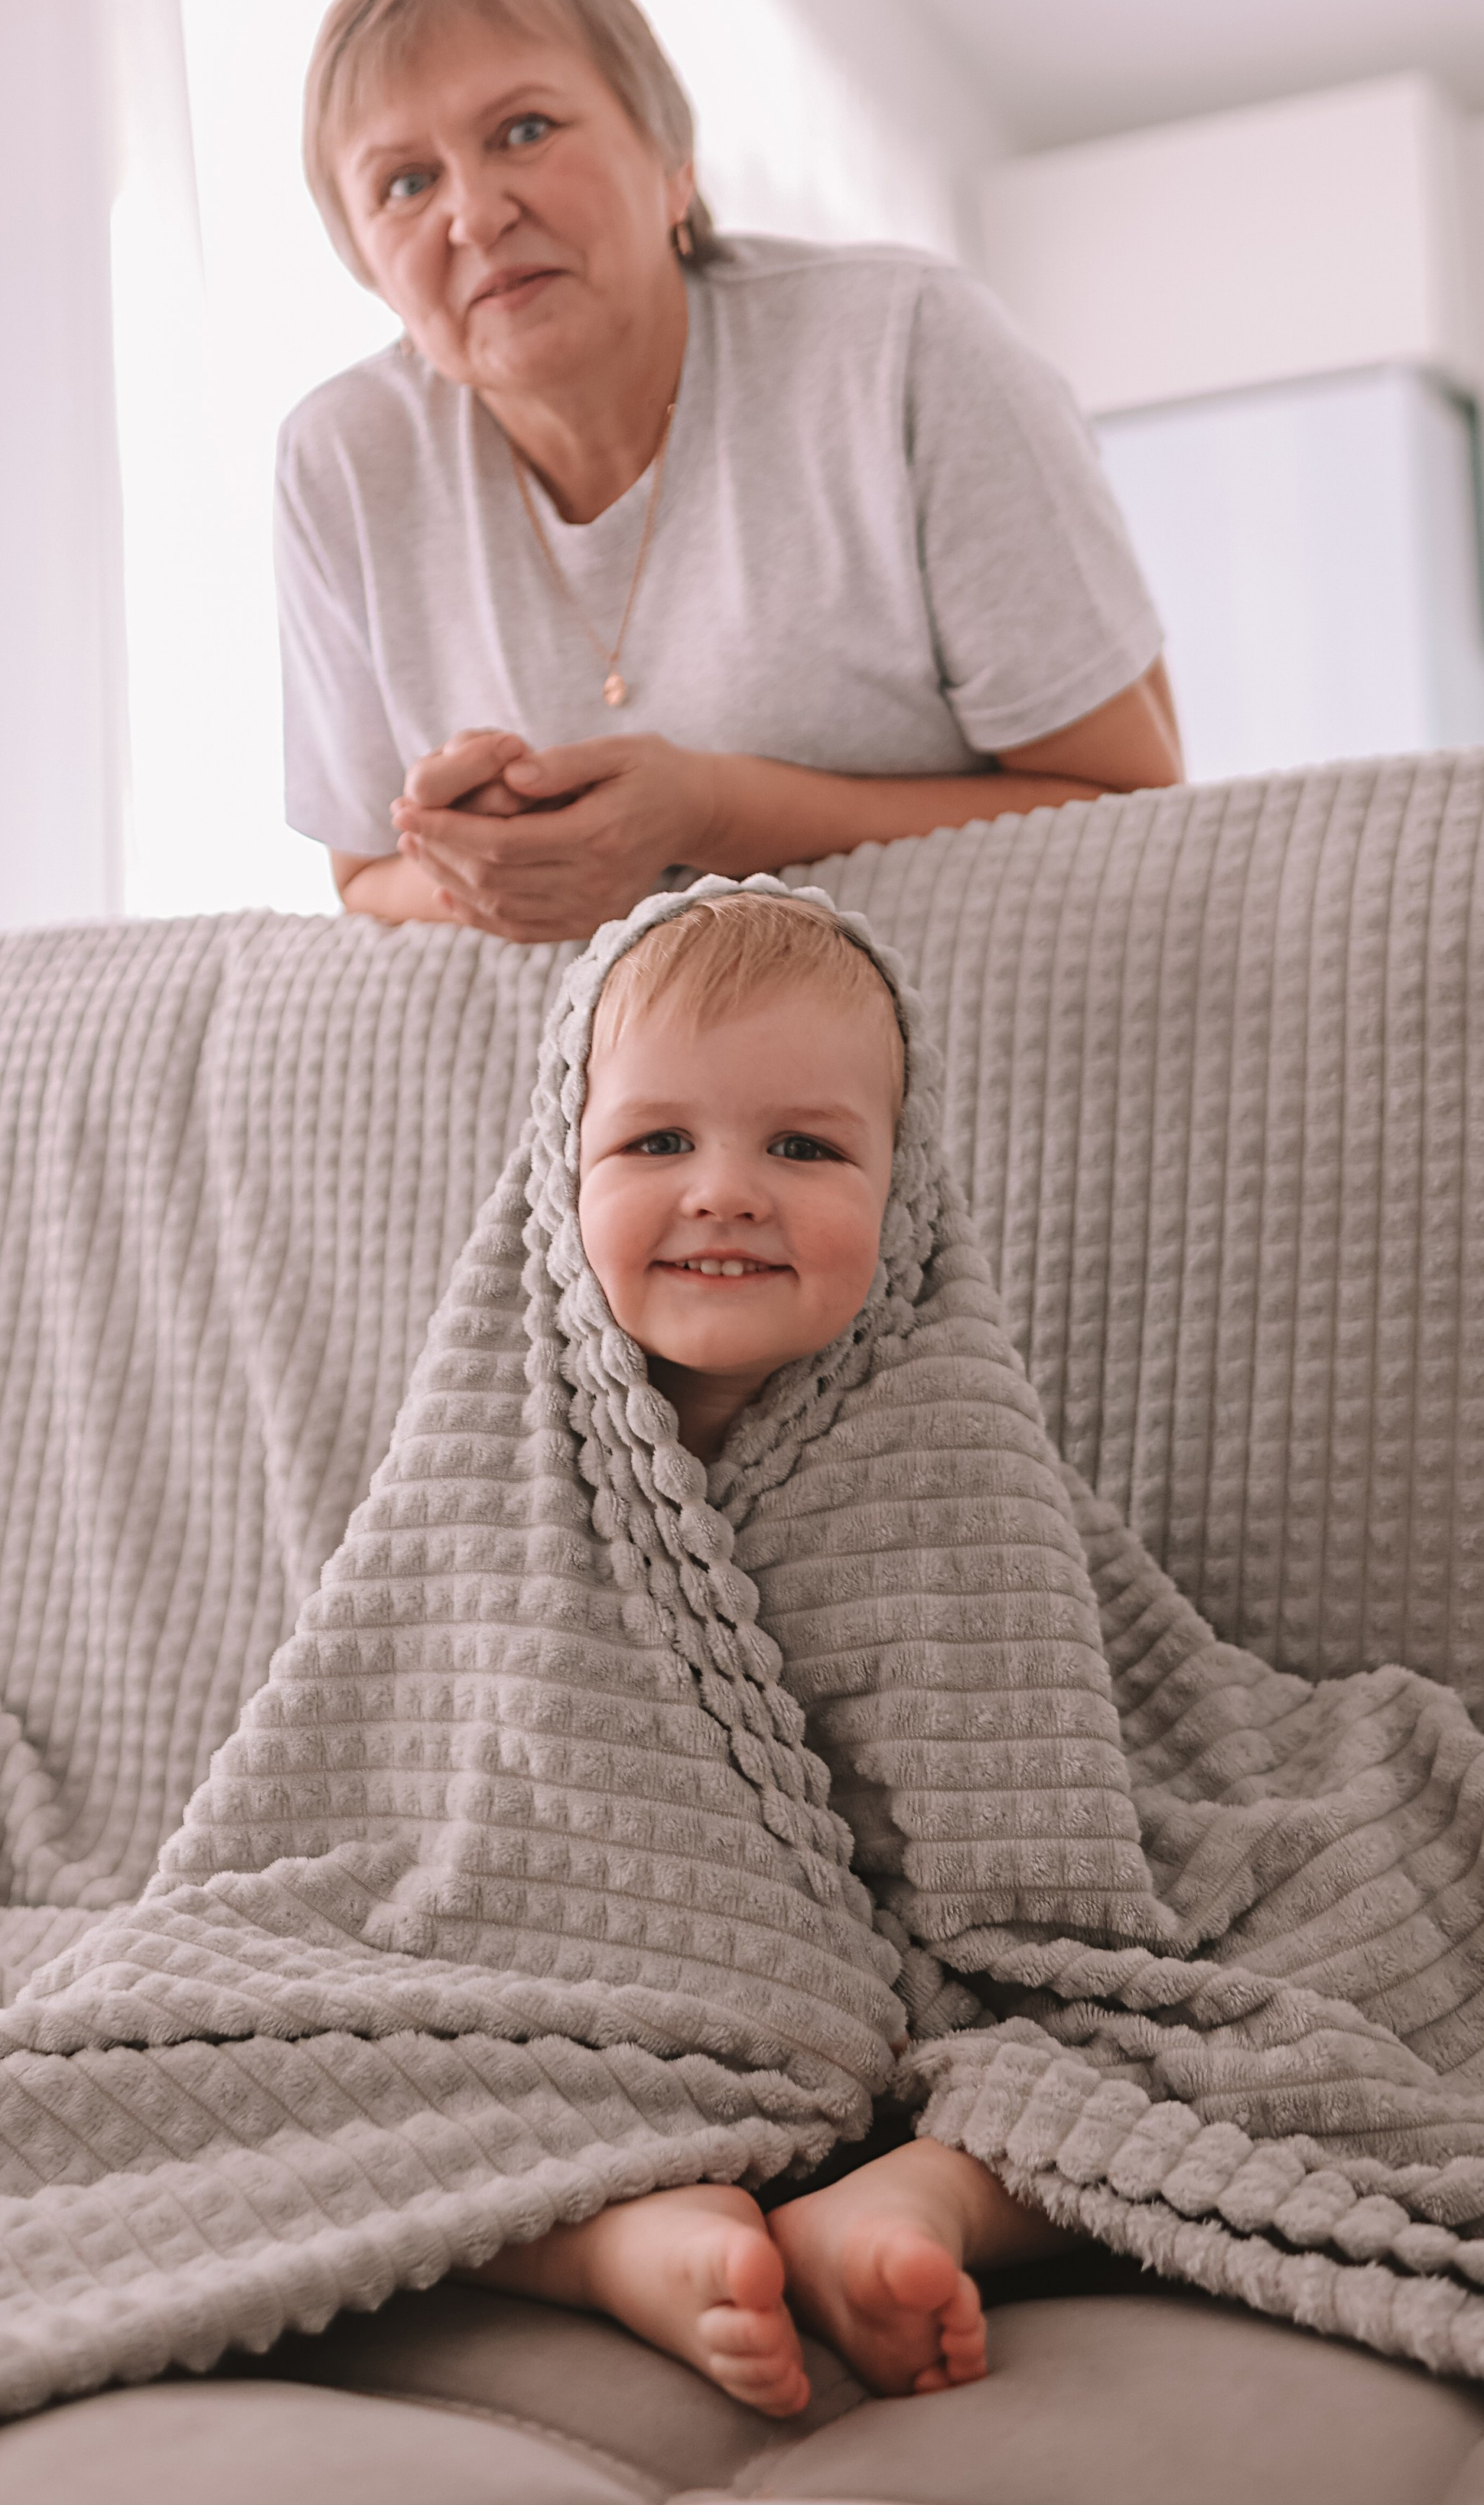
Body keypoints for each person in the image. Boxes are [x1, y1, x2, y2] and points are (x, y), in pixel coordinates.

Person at [464, 886, 1070, 2410]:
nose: (724, 1192)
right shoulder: (507, 1449)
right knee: (337, 2056)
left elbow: (1029, 1860)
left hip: (900, 1966)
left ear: (901, 1189)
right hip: (571, 1963)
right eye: (657, 1141)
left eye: (801, 1147)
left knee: (1141, 2069)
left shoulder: (940, 1446)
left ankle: (910, 2202)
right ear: (561, 1174)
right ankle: (614, 2240)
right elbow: (448, 1763)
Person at [278, 0, 1183, 944]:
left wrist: (713, 818)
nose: (477, 216)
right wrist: (497, 864)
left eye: (525, 130)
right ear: (368, 268)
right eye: (405, 184)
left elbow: (1134, 803)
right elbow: (368, 875)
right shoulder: (341, 461)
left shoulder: (906, 346)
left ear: (673, 165)